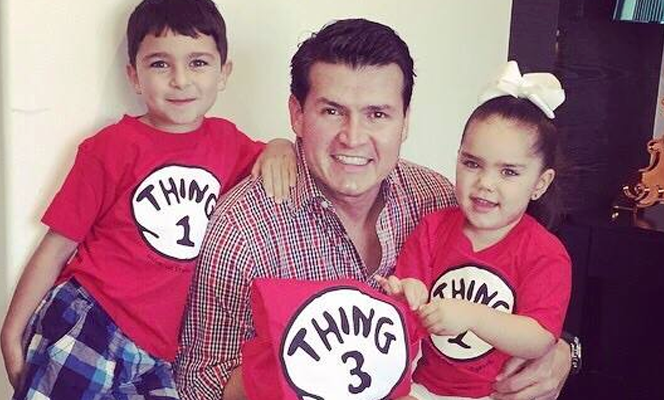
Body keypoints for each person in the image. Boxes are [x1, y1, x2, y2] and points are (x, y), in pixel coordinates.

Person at [174, 19, 574, 400]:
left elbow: (522, 289)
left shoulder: (439, 198)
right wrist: (295, 360)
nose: (353, 138)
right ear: (297, 114)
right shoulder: (241, 229)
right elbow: (199, 381)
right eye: (332, 111)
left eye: (377, 114)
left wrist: (561, 352)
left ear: (405, 121)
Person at [0, 0, 294, 398]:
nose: (180, 80)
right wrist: (11, 331)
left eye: (198, 63)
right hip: (93, 319)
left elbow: (271, 158)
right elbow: (57, 247)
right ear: (134, 76)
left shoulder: (228, 143)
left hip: (158, 351)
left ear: (224, 72)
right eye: (159, 64)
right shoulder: (110, 147)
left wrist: (280, 144)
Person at [377, 61, 571, 400]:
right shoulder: (433, 227)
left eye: (508, 172)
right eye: (472, 163)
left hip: (498, 393)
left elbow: (540, 337)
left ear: (540, 183)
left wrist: (473, 317)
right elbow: (411, 295)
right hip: (425, 388)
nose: (485, 183)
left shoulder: (545, 252)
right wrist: (408, 292)